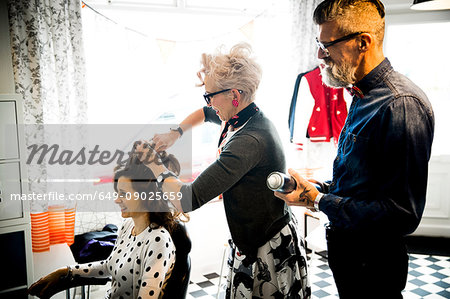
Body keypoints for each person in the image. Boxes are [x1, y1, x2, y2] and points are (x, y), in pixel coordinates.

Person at [274, 0, 435, 298]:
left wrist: (321, 201)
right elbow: (360, 182)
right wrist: (315, 189)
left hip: (372, 264)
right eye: (318, 43)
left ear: (363, 42)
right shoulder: (361, 94)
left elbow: (401, 214)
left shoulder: (400, 105)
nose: (319, 55)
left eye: (327, 45)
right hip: (351, 257)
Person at [137, 43, 311, 298]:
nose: (207, 102)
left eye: (210, 95)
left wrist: (155, 165)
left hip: (267, 245)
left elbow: (187, 198)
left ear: (235, 94)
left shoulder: (249, 140)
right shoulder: (241, 116)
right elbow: (205, 114)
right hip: (251, 235)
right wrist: (175, 134)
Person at [28, 151, 187, 299]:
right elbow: (108, 266)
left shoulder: (158, 241)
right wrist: (64, 272)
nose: (116, 199)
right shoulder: (127, 226)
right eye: (117, 192)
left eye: (123, 194)